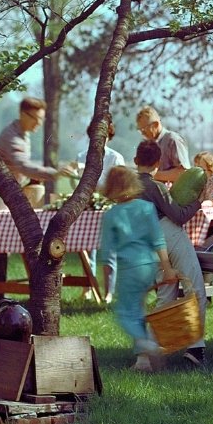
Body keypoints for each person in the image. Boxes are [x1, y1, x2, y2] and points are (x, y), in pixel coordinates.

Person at [0, 97, 77, 293]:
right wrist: (54, 172)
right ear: (22, 114)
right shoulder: (13, 137)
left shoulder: (23, 134)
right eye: (36, 118)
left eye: (41, 119)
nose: (39, 123)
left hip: (11, 191)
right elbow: (24, 166)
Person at [134, 140, 208, 367]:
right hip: (167, 234)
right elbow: (178, 215)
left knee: (165, 295)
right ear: (158, 163)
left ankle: (146, 357)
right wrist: (199, 202)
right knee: (195, 288)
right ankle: (195, 349)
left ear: (136, 161)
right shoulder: (155, 186)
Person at [98, 166, 177, 372]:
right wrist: (167, 268)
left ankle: (146, 344)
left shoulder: (112, 215)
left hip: (129, 268)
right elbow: (158, 239)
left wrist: (106, 283)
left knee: (125, 312)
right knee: (138, 309)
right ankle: (142, 361)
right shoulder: (146, 207)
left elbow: (106, 254)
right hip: (149, 265)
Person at [77, 115, 126, 302]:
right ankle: (88, 288)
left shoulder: (115, 158)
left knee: (109, 250)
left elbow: (120, 186)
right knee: (87, 249)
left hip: (108, 208)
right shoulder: (81, 157)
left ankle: (108, 292)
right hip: (88, 209)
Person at [135, 106, 190, 184]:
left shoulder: (172, 140)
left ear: (156, 125)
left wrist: (151, 174)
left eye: (144, 129)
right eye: (140, 131)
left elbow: (184, 172)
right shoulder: (150, 144)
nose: (143, 133)